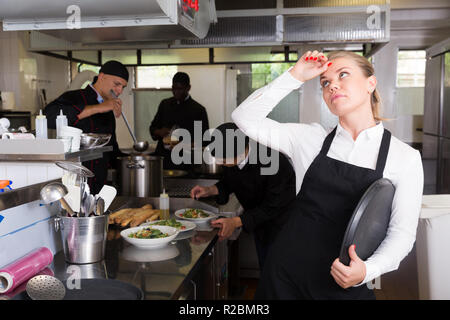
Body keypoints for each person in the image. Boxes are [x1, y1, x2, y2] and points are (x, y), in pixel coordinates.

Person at [231, 50, 424, 300]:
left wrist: (367, 270)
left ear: (370, 83)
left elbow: (402, 234)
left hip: (345, 283)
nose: (333, 84)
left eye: (343, 75)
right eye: (325, 82)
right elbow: (243, 118)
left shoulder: (404, 157)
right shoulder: (310, 139)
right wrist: (296, 75)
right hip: (285, 276)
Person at [189, 122, 296, 269]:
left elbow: (273, 206)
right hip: (261, 225)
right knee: (266, 271)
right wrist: (210, 190)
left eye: (224, 160)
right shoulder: (232, 159)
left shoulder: (273, 161)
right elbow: (229, 182)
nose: (222, 163)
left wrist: (235, 222)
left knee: (280, 274)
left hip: (284, 228)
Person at [44, 60, 129, 194]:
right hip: (72, 183)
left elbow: (112, 148)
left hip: (99, 184)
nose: (119, 91)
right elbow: (48, 116)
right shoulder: (74, 97)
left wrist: (132, 159)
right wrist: (98, 108)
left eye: (123, 87)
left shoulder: (108, 109)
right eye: (117, 84)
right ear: (101, 77)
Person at [149, 72, 209, 169]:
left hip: (186, 162)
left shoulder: (198, 110)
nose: (176, 92)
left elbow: (203, 141)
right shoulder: (165, 105)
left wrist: (183, 145)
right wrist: (160, 132)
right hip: (164, 161)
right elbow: (152, 128)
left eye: (180, 89)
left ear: (188, 88)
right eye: (174, 88)